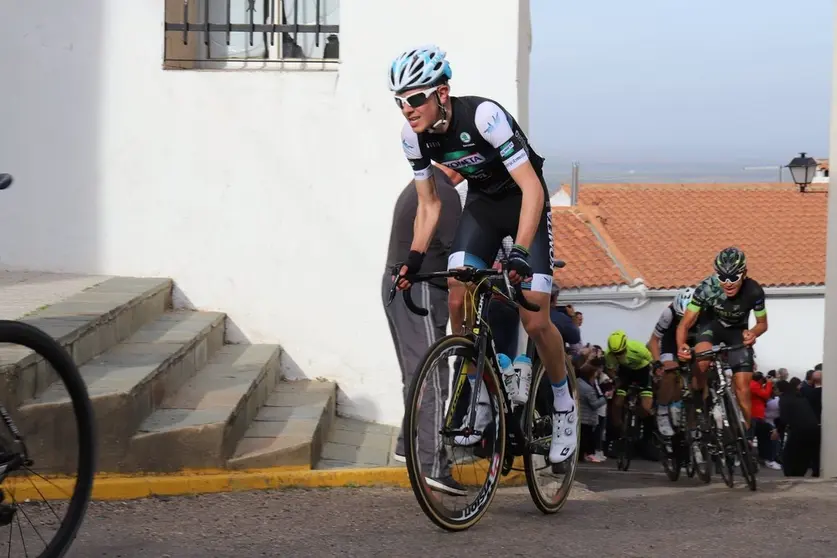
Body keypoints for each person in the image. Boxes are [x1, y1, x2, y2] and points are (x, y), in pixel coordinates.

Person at [389, 45, 577, 473]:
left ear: (442, 92)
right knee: (457, 291)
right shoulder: (412, 137)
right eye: (399, 100)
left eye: (415, 98)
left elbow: (531, 188)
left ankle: (563, 404)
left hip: (524, 202)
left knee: (535, 319)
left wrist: (522, 254)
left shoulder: (483, 117)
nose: (407, 108)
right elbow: (430, 204)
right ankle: (479, 395)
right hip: (483, 207)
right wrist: (414, 257)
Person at [382, 164, 463, 493]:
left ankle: (409, 444)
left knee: (416, 376)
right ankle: (432, 464)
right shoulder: (444, 194)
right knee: (434, 378)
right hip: (422, 289)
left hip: (396, 285)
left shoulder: (422, 186)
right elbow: (458, 262)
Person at [676, 247, 768, 431]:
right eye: (722, 278)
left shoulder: (754, 291)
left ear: (744, 274)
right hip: (711, 328)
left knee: (743, 388)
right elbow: (685, 323)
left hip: (737, 332)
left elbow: (762, 324)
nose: (728, 283)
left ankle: (747, 439)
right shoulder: (706, 288)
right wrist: (682, 346)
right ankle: (700, 401)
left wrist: (753, 333)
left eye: (733, 278)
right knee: (701, 359)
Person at [647, 287, 695, 437]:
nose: (684, 321)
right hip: (671, 341)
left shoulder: (704, 311)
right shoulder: (669, 313)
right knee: (669, 371)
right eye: (680, 317)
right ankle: (662, 411)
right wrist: (657, 363)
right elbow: (653, 341)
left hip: (693, 340)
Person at [605, 330, 655, 430]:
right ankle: (618, 430)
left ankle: (645, 427)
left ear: (625, 346)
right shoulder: (608, 354)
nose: (618, 356)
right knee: (617, 403)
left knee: (646, 408)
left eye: (621, 352)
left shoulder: (637, 348)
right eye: (616, 354)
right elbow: (610, 370)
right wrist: (615, 379)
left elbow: (653, 361)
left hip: (643, 371)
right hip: (625, 372)